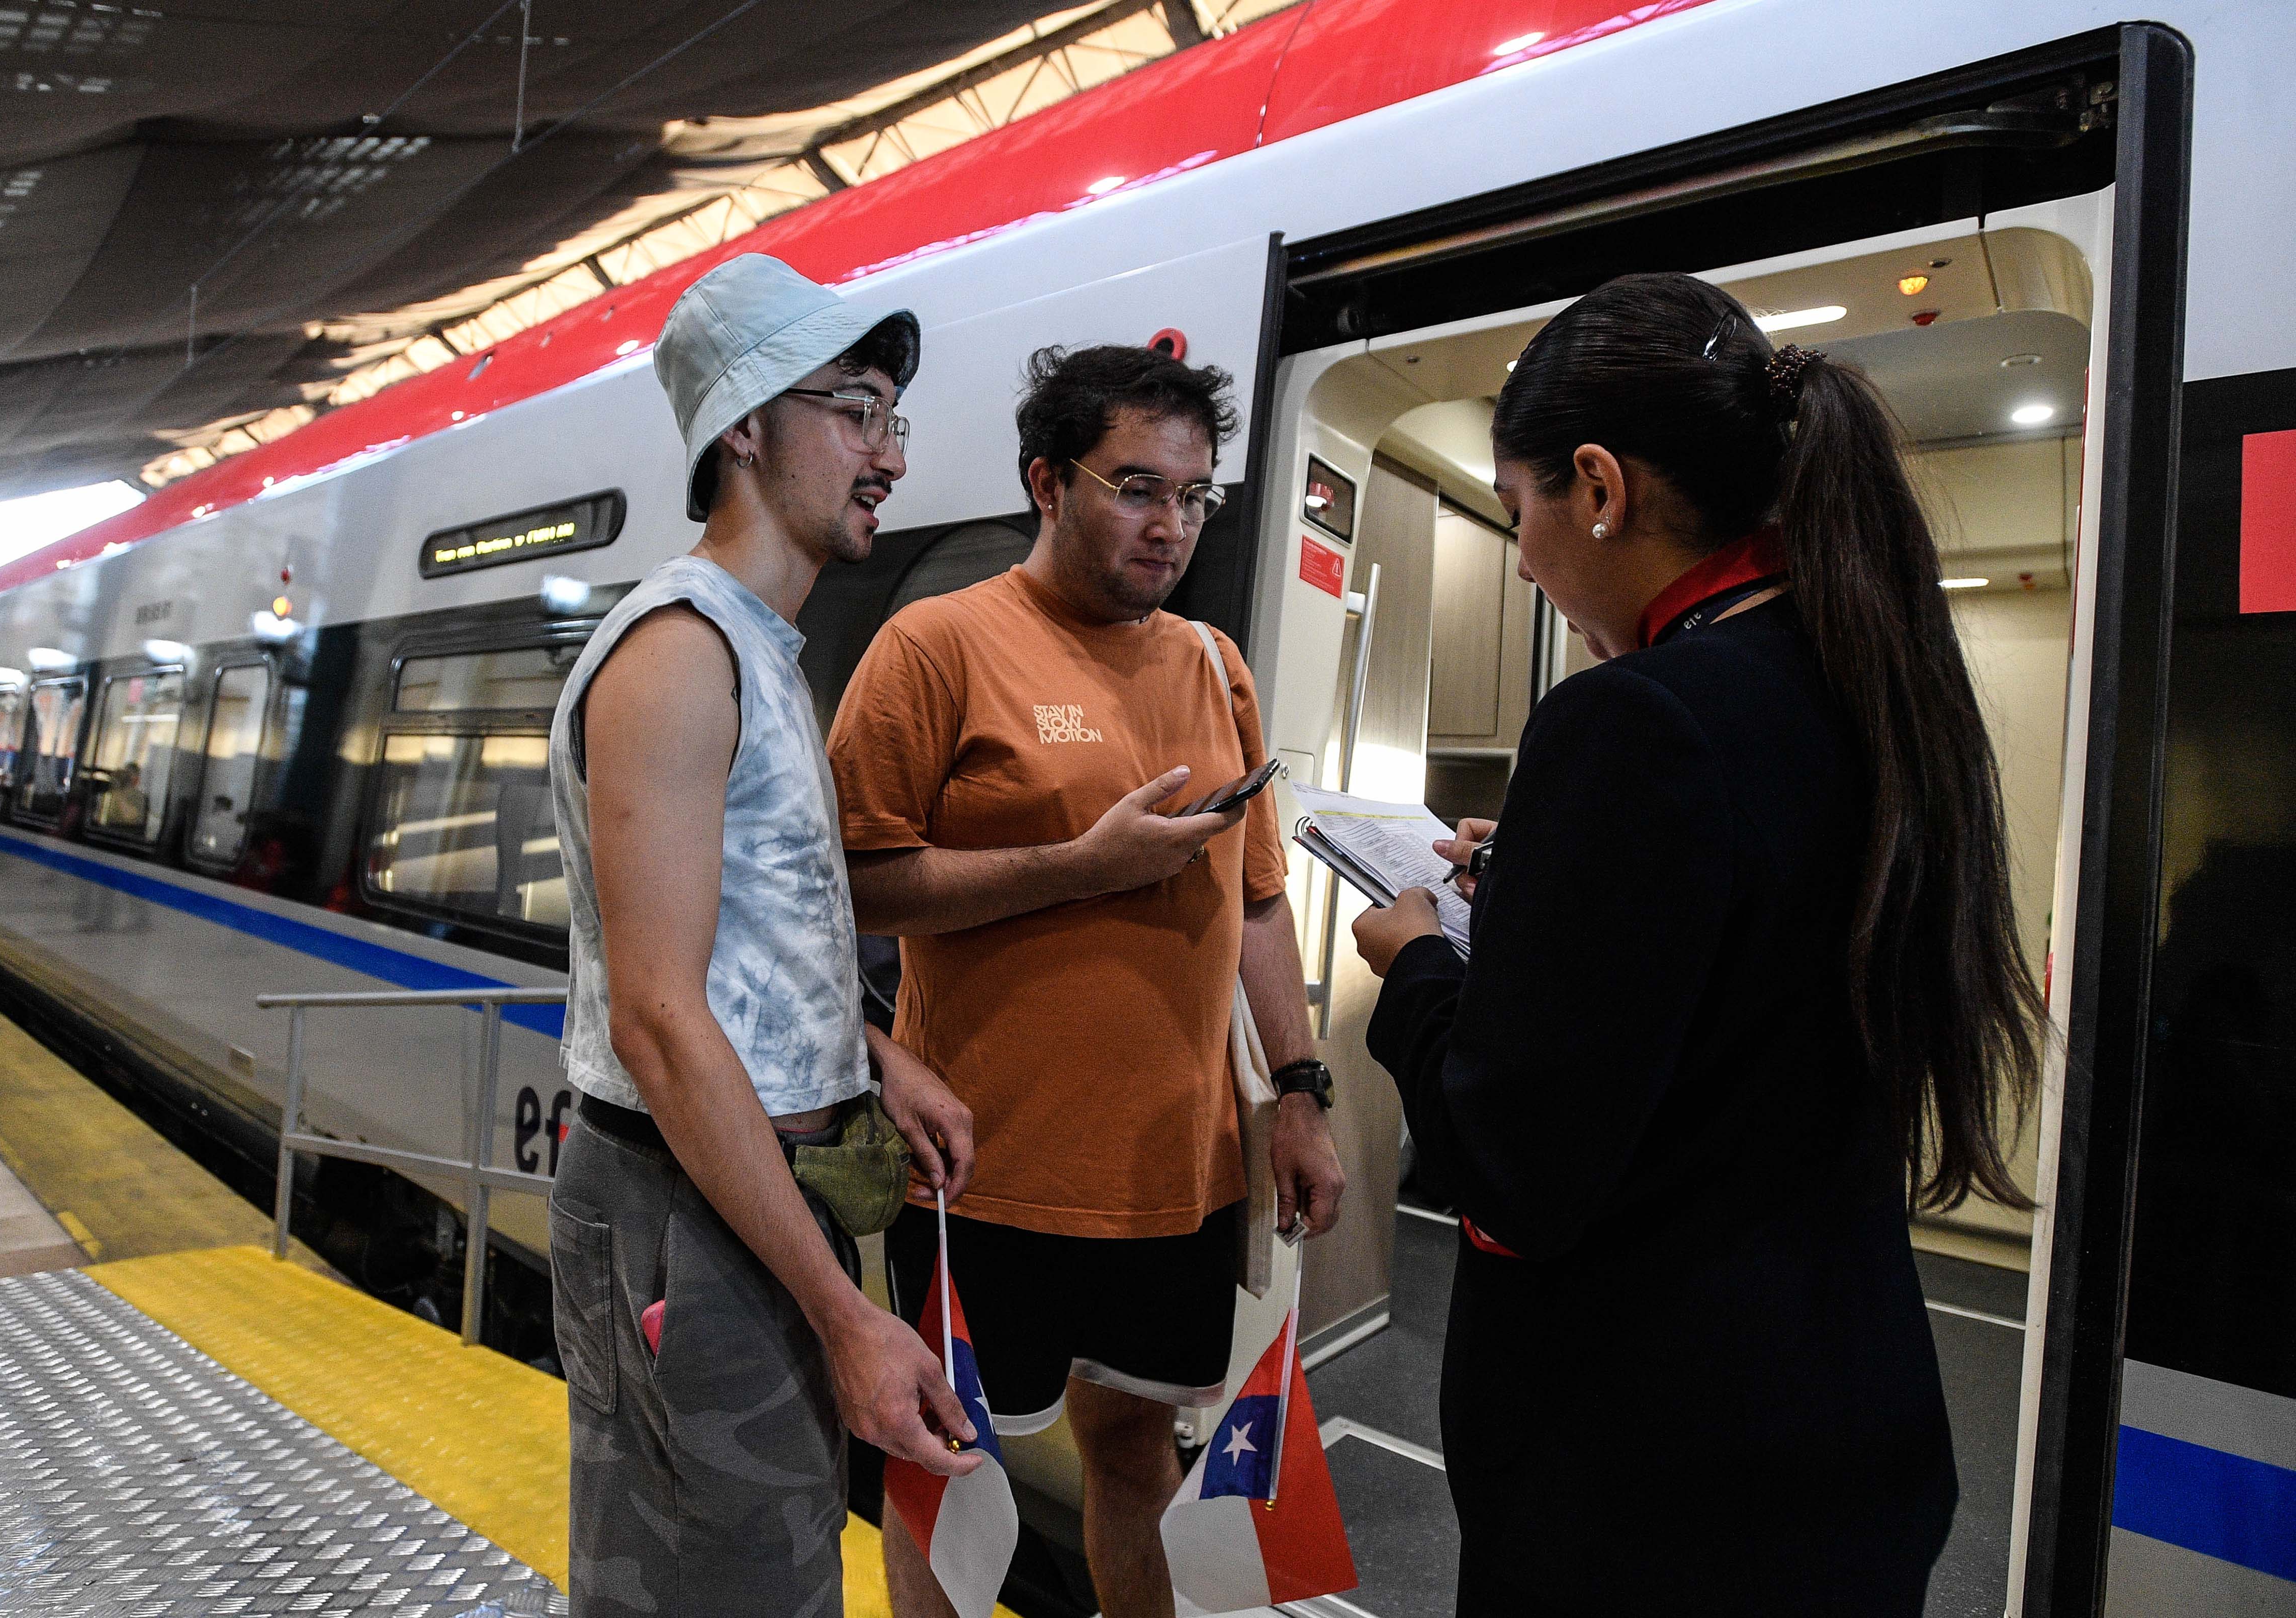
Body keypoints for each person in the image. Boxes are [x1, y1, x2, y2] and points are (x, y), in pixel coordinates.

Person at [1348, 272, 2045, 1616]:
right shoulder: (1867, 679)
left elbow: (1518, 1162)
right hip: (1840, 1407)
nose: (1529, 560)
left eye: (1519, 513)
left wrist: (1422, 956)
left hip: (1652, 1466)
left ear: (1598, 485)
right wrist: (1548, 875)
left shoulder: (1634, 720)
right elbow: (1746, 962)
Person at [828, 343, 1348, 1618]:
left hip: (1173, 1178)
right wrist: (1076, 866)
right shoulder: (935, 646)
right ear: (1046, 483)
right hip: (979, 1174)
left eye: (1192, 494)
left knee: (1135, 1457)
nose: (1170, 524)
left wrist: (1298, 1087)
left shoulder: (1214, 665)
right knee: (942, 1471)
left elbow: (1260, 897)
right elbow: (852, 886)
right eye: (1135, 488)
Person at [546, 253, 983, 1618]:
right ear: (745, 425)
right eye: (855, 410)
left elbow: (731, 951)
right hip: (695, 1215)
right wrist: (849, 1316)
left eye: (890, 421)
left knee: (767, 1571)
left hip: (745, 1204)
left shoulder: (759, 648)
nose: (887, 456)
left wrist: (865, 1058)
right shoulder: (679, 657)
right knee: (723, 1588)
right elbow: (659, 1019)